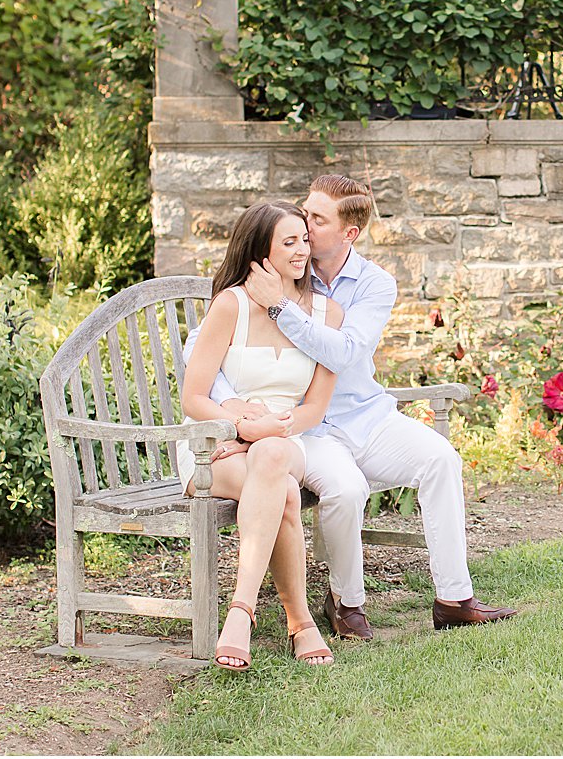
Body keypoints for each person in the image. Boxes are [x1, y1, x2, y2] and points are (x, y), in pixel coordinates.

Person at [185, 174, 517, 641]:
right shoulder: (267, 274)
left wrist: (281, 307)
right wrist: (237, 412)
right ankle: (345, 604)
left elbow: (342, 354)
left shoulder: (371, 286)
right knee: (345, 489)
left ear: (349, 234)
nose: (304, 226)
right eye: (303, 215)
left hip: (360, 414)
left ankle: (454, 599)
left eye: (315, 221)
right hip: (306, 430)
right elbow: (199, 348)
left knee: (442, 458)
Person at [178, 200, 339, 671]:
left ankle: (241, 610)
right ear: (259, 250)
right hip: (216, 450)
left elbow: (314, 407)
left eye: (304, 240)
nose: (302, 251)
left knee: (273, 455)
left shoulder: (327, 314)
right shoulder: (231, 305)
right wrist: (244, 428)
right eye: (289, 242)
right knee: (284, 488)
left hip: (286, 440)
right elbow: (194, 397)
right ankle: (300, 622)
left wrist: (271, 430)